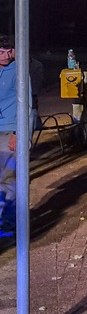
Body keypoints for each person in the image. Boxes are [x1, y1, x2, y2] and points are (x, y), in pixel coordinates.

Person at [0, 35, 32, 237]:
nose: (5, 56)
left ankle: (8, 223)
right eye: (1, 52)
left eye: (8, 51)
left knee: (9, 179)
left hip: (9, 130)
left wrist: (19, 134)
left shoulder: (19, 71)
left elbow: (26, 104)